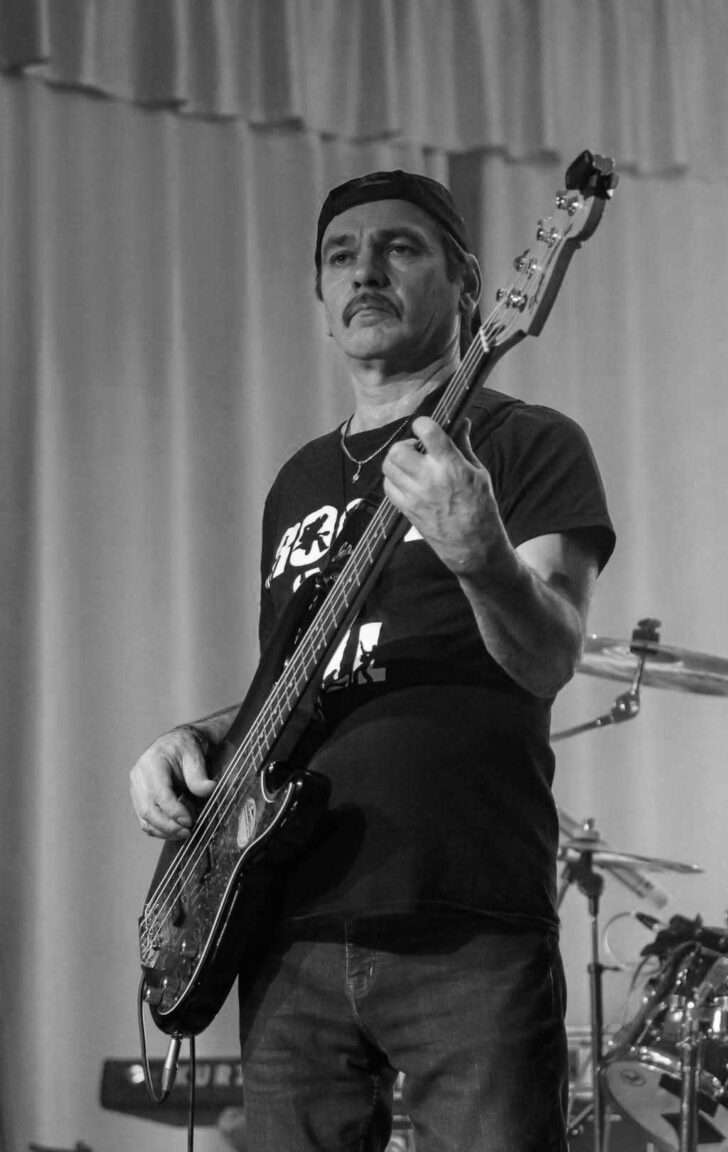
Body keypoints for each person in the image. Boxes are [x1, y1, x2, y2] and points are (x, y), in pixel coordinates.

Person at [130, 169, 615, 1151]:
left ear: (471, 284)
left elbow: (548, 655)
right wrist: (196, 740)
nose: (366, 271)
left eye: (400, 247)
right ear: (320, 297)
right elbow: (302, 684)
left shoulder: (527, 443)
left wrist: (479, 554)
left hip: (463, 914)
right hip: (284, 923)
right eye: (341, 255)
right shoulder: (299, 481)